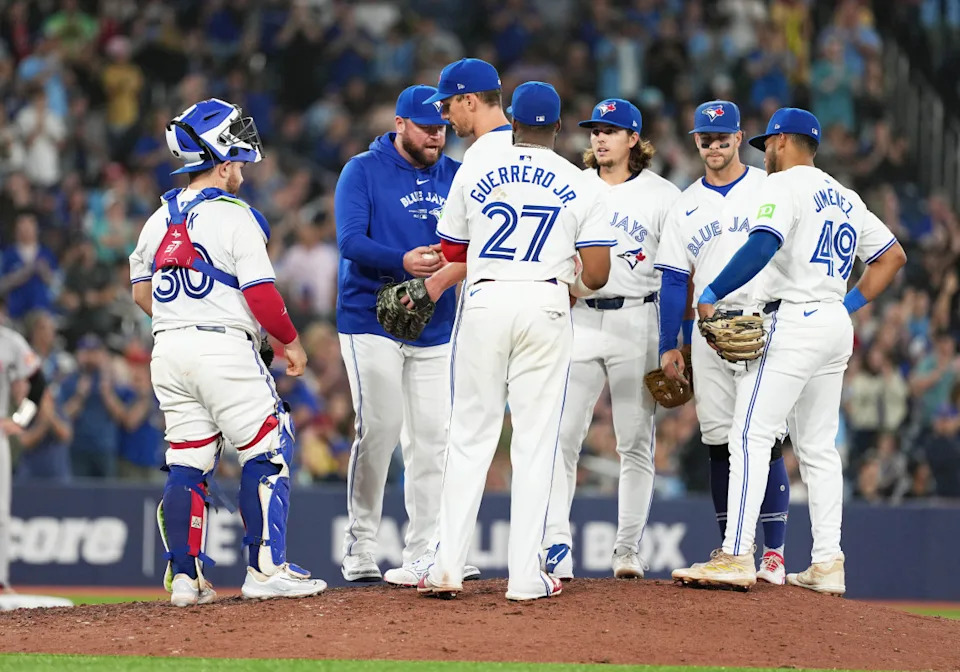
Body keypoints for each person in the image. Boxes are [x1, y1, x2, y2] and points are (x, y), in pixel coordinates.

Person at [672, 108, 906, 594]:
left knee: (749, 435)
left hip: (792, 320)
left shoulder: (781, 186)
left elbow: (763, 245)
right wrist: (848, 303)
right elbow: (891, 257)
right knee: (819, 449)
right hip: (832, 322)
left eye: (767, 145)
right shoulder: (844, 196)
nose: (765, 154)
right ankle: (827, 562)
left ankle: (736, 555)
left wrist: (712, 291)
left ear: (780, 142)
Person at [418, 81, 615, 601]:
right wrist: (566, 272)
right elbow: (596, 274)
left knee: (468, 437)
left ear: (515, 122)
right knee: (535, 441)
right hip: (545, 303)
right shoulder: (582, 181)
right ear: (555, 126)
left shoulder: (476, 166)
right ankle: (527, 577)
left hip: (485, 299)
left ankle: (446, 566)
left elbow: (450, 247)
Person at [129, 98, 326, 606]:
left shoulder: (157, 218)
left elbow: (138, 292)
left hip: (168, 349)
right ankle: (265, 569)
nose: (240, 168)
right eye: (235, 159)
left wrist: (181, 324)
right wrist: (290, 342)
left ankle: (186, 580)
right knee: (269, 446)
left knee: (188, 461)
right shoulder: (237, 217)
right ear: (220, 159)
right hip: (222, 347)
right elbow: (261, 293)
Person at [334, 85, 478, 585]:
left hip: (436, 325)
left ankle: (425, 550)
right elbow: (350, 241)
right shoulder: (362, 170)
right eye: (425, 127)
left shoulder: (457, 175)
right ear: (400, 125)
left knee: (434, 439)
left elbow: (475, 244)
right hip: (369, 316)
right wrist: (402, 261)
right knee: (379, 429)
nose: (436, 135)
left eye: (440, 126)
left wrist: (442, 271)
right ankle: (361, 546)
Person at [540, 98, 680, 581]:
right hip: (578, 318)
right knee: (560, 435)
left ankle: (627, 550)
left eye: (612, 130)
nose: (599, 138)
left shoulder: (663, 196)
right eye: (595, 130)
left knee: (635, 440)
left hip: (637, 319)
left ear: (634, 140)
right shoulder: (572, 186)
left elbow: (678, 271)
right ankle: (556, 541)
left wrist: (673, 339)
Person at [655, 101, 792, 585]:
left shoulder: (767, 187)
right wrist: (667, 343)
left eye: (723, 137)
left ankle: (773, 553)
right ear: (696, 142)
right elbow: (673, 280)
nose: (714, 146)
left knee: (764, 439)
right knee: (718, 442)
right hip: (708, 332)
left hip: (762, 322)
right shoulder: (684, 204)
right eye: (706, 139)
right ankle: (731, 549)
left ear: (739, 138)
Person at [0, 306, 47, 594]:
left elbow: (38, 382)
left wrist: (21, 418)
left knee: (0, 512)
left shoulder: (10, 341)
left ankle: (1, 581)